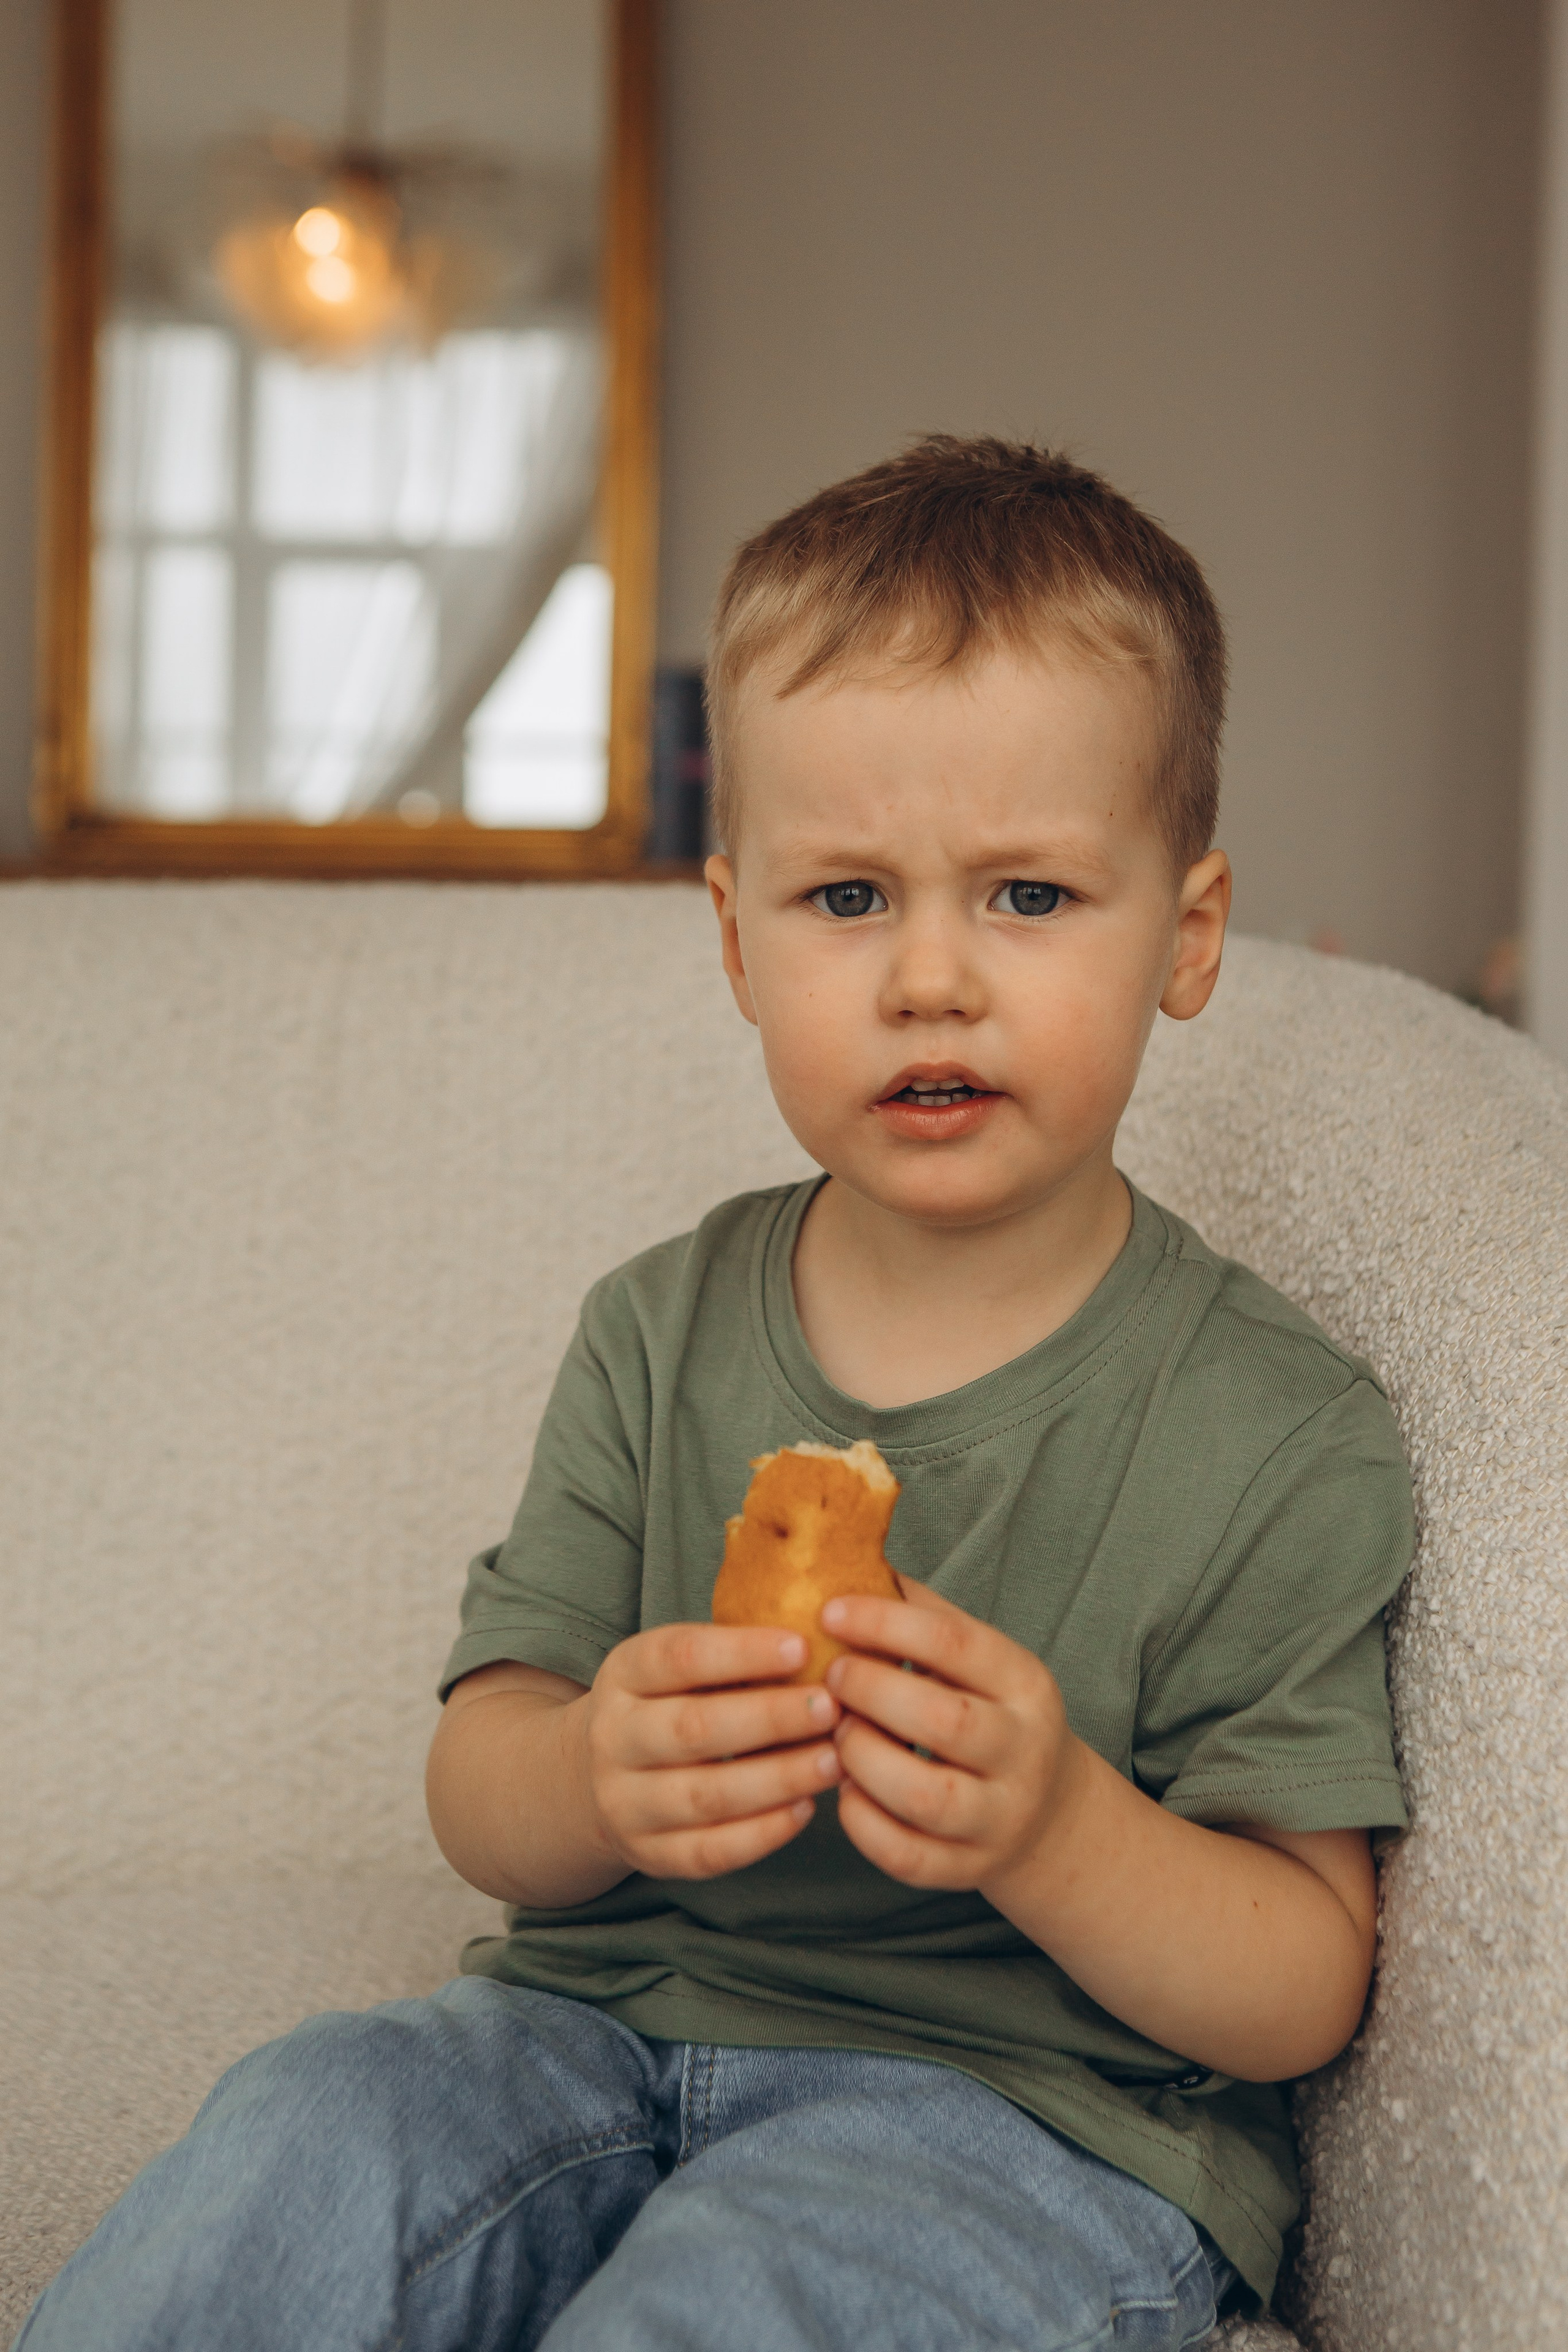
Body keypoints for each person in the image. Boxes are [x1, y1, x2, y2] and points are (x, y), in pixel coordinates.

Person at [17, 437, 1412, 2352]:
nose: (931, 977)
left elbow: (1306, 1982)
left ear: (1187, 934)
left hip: (1012, 2117)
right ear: (736, 936)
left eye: (1027, 893)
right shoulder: (657, 1329)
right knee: (306, 2139)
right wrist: (594, 1769)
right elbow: (482, 1777)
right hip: (588, 2028)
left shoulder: (1276, 1429)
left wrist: (1056, 1829)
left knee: (740, 2302)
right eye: (847, 898)